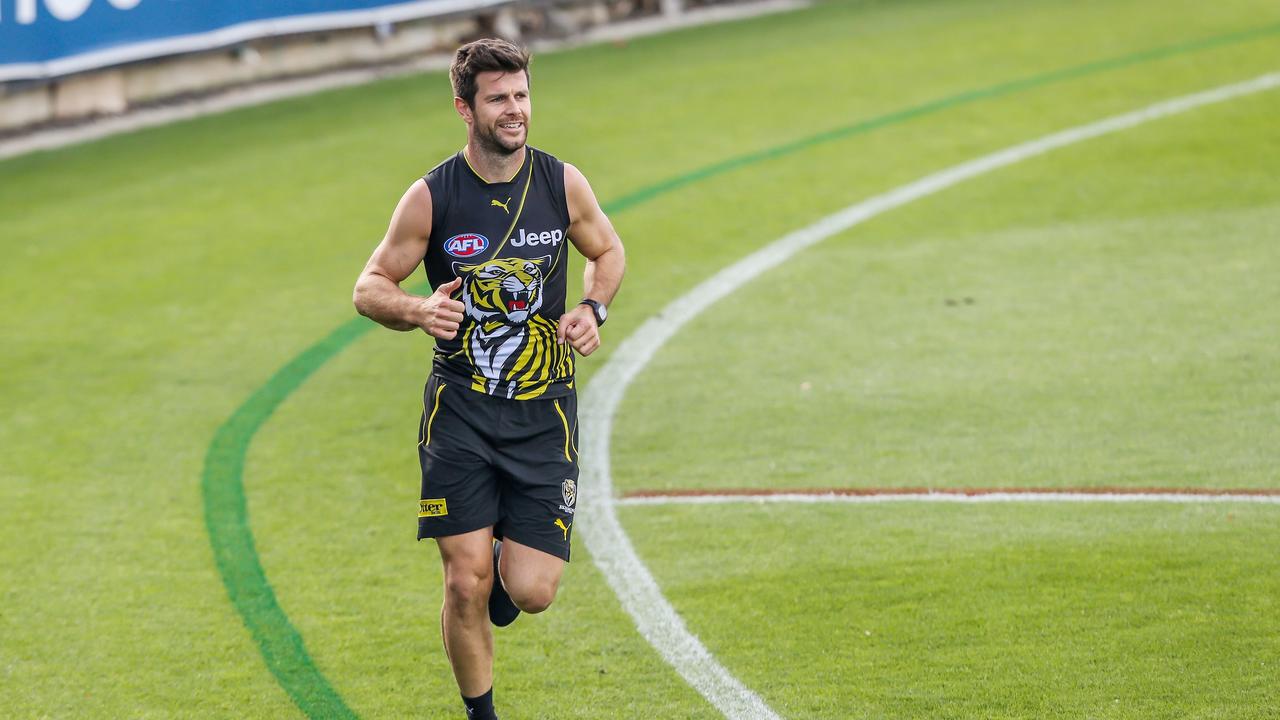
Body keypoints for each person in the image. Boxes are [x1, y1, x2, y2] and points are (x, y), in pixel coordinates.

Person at [352, 38, 625, 720]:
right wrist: (417, 309)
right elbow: (368, 287)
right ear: (464, 109)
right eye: (498, 99)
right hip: (462, 413)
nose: (515, 111)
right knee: (464, 583)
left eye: (522, 96)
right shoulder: (431, 196)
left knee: (529, 591)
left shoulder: (562, 182)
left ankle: (506, 557)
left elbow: (609, 249)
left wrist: (593, 307)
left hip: (544, 413)